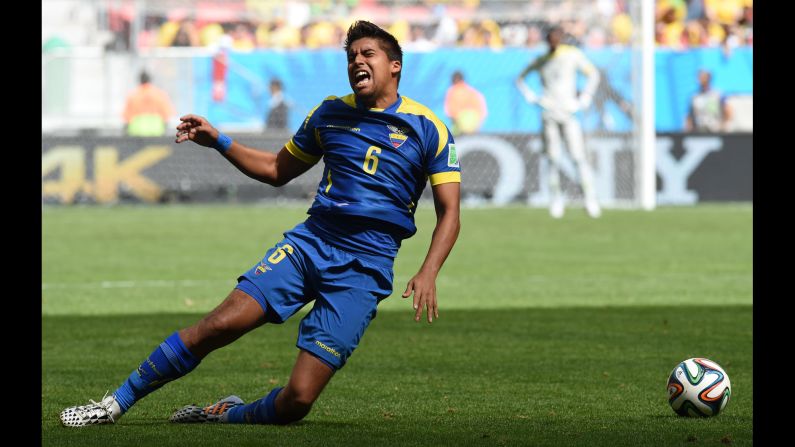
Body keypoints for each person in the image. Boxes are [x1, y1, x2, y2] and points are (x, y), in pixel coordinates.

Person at [60, 20, 461, 428]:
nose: (356, 61)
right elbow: (275, 169)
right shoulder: (330, 112)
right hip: (311, 245)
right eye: (351, 56)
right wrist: (219, 140)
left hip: (365, 267)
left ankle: (224, 414)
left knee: (298, 401)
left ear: (394, 66)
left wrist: (429, 271)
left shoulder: (428, 127)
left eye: (367, 54)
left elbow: (450, 212)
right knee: (217, 325)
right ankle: (113, 405)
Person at [515, 25, 601, 219]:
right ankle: (556, 199)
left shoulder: (572, 55)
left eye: (556, 38)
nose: (553, 42)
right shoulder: (542, 60)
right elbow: (520, 79)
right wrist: (532, 97)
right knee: (552, 158)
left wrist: (585, 98)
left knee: (578, 156)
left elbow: (593, 74)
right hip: (549, 114)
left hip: (569, 114)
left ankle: (590, 198)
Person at [122, 71, 175, 137]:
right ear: (150, 80)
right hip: (157, 130)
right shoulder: (160, 94)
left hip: (137, 131)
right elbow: (166, 116)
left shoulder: (132, 95)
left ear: (139, 80)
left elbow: (126, 118)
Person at [443, 71, 488, 136]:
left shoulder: (452, 92)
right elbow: (482, 111)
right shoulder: (472, 91)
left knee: (452, 139)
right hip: (474, 125)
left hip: (458, 125)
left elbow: (450, 112)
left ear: (454, 80)